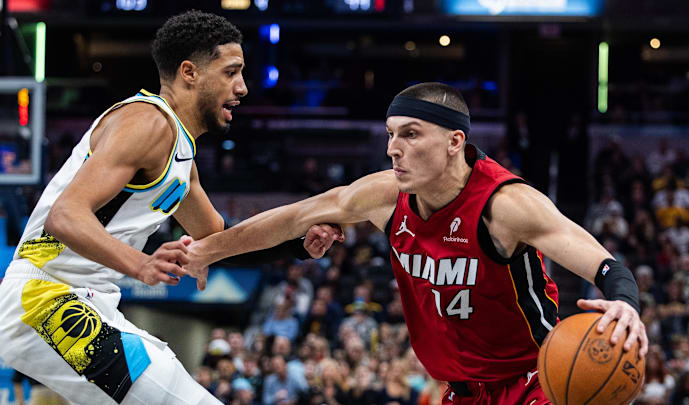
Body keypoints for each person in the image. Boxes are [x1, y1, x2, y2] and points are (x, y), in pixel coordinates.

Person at [186, 82, 648, 404]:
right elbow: (295, 216)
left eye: (410, 134)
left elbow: (604, 265)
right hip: (460, 390)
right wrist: (208, 250)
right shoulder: (385, 195)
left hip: (534, 383)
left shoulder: (506, 205)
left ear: (454, 142)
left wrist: (625, 303)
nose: (393, 148)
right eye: (390, 134)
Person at [0, 10, 337, 405]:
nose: (243, 87)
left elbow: (219, 240)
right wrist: (140, 264)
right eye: (231, 72)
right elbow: (65, 216)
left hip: (88, 302)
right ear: (189, 72)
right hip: (43, 298)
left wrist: (296, 246)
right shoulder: (147, 122)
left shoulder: (180, 154)